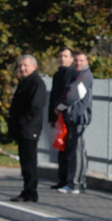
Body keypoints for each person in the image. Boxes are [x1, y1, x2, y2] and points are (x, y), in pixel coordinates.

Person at [8, 55, 46, 202]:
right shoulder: (24, 81)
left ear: (34, 67)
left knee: (29, 162)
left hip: (30, 127)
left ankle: (31, 192)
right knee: (24, 162)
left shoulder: (36, 83)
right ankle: (27, 190)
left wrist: (25, 121)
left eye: (25, 65)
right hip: (22, 128)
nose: (22, 68)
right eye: (21, 66)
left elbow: (35, 106)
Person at [56, 52, 93, 195]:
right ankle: (73, 182)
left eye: (81, 60)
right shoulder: (75, 74)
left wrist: (60, 107)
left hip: (79, 118)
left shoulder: (85, 76)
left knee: (77, 152)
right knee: (72, 151)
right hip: (72, 118)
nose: (78, 63)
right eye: (76, 60)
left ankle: (76, 184)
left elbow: (72, 94)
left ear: (86, 62)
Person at [48, 47, 74, 189]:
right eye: (61, 56)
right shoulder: (57, 75)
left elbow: (70, 96)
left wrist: (61, 108)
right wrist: (51, 117)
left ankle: (69, 180)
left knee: (69, 149)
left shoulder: (73, 74)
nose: (62, 58)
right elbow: (53, 96)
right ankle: (61, 179)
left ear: (71, 59)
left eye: (65, 56)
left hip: (69, 116)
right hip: (58, 117)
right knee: (61, 148)